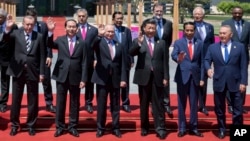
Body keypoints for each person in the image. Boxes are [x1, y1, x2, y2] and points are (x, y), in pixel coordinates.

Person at [3, 15, 45, 136]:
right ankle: (15, 125)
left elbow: (42, 56)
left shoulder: (39, 36)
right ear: (23, 23)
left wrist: (42, 73)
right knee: (16, 99)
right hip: (18, 71)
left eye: (31, 25)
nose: (29, 27)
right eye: (27, 24)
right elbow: (5, 40)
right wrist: (7, 29)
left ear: (34, 24)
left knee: (33, 100)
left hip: (33, 72)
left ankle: (31, 125)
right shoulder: (15, 33)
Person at [204, 25, 247, 139]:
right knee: (219, 108)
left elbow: (243, 66)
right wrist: (208, 68)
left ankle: (238, 131)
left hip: (236, 82)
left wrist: (244, 82)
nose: (222, 35)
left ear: (231, 34)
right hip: (219, 82)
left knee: (237, 109)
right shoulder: (212, 47)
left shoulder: (240, 47)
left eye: (224, 33)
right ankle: (221, 129)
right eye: (220, 33)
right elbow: (206, 60)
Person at [46, 19, 87, 137]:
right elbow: (50, 44)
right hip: (61, 75)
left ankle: (73, 126)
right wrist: (50, 32)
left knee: (74, 103)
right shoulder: (60, 40)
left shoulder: (82, 43)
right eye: (69, 26)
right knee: (60, 102)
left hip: (76, 76)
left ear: (77, 29)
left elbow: (84, 62)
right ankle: (60, 126)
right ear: (65, 28)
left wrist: (83, 79)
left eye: (74, 27)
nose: (71, 29)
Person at [129, 19, 168, 140]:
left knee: (158, 104)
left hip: (158, 77)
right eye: (149, 28)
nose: (151, 30)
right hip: (143, 77)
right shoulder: (138, 41)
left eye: (153, 28)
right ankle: (144, 127)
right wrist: (139, 44)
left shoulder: (161, 42)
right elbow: (131, 52)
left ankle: (160, 128)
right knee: (144, 103)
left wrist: (166, 76)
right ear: (144, 29)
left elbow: (165, 61)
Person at [92, 24, 127, 138]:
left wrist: (123, 79)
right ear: (104, 32)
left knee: (115, 105)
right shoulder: (99, 42)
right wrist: (98, 35)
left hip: (115, 80)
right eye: (108, 32)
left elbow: (122, 64)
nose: (110, 34)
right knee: (101, 105)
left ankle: (116, 127)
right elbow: (90, 46)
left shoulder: (119, 45)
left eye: (112, 32)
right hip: (102, 79)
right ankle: (100, 128)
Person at [171, 22, 204, 138]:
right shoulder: (179, 42)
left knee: (194, 104)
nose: (189, 32)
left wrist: (202, 78)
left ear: (194, 31)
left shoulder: (200, 43)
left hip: (195, 76)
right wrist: (178, 58)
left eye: (191, 30)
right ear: (183, 31)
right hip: (182, 76)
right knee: (181, 103)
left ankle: (194, 127)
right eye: (187, 30)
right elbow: (174, 55)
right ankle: (182, 127)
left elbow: (202, 61)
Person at [25, 8, 56, 113]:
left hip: (43, 57)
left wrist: (49, 55)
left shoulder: (42, 26)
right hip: (30, 59)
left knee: (46, 80)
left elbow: (48, 41)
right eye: (30, 18)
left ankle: (49, 103)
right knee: (30, 82)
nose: (32, 22)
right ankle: (32, 105)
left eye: (34, 18)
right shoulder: (24, 28)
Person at [221, 6, 250, 114]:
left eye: (239, 13)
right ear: (232, 13)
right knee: (230, 79)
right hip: (230, 56)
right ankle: (230, 104)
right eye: (235, 13)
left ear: (242, 13)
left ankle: (240, 104)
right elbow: (224, 39)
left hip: (244, 57)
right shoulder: (226, 23)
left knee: (242, 79)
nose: (237, 15)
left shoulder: (247, 25)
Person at [151, 3, 173, 115]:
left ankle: (166, 103)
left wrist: (163, 49)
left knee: (165, 78)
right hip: (151, 54)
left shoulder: (168, 24)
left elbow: (168, 40)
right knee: (151, 78)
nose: (159, 13)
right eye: (157, 11)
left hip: (164, 55)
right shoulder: (148, 23)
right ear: (153, 11)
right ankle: (152, 103)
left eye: (161, 11)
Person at [193, 6, 215, 116]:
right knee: (194, 83)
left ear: (203, 15)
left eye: (199, 14)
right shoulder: (190, 27)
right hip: (194, 58)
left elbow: (212, 43)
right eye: (195, 14)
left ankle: (202, 105)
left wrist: (213, 57)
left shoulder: (210, 27)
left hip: (206, 58)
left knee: (204, 83)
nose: (197, 16)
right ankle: (194, 104)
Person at [75, 8, 98, 114]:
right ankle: (76, 104)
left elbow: (96, 47)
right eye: (79, 16)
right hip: (76, 61)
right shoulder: (73, 28)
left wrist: (96, 59)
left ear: (87, 17)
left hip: (89, 61)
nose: (81, 18)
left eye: (83, 16)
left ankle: (88, 103)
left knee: (89, 83)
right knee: (75, 83)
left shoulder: (93, 30)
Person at [112, 11, 133, 113]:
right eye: (117, 18)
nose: (119, 20)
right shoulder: (110, 30)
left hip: (125, 61)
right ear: (113, 19)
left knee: (125, 83)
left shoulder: (127, 31)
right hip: (113, 62)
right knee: (113, 84)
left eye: (121, 18)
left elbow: (130, 46)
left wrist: (131, 59)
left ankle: (125, 103)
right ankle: (114, 103)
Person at [0, 8, 18, 113]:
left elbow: (16, 40)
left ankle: (3, 103)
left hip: (6, 58)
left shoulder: (13, 27)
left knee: (5, 81)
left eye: (0, 17)